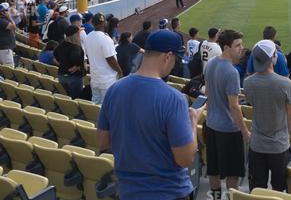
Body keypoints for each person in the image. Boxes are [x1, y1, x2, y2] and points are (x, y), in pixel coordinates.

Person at [97, 29, 200, 200]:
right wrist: (193, 122)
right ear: (167, 56)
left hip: (128, 191)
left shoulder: (114, 89)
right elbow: (185, 158)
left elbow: (102, 142)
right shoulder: (174, 99)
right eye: (175, 59)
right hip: (168, 192)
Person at [243, 40, 291, 192]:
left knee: (257, 189)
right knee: (278, 189)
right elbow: (290, 114)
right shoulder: (285, 83)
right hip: (278, 145)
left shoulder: (248, 83)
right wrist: (287, 136)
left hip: (257, 145)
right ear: (273, 57)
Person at [204, 29, 250, 199]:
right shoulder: (232, 72)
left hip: (211, 125)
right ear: (226, 47)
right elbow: (234, 106)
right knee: (232, 173)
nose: (241, 48)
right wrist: (245, 132)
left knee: (213, 170)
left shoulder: (211, 63)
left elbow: (208, 92)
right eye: (237, 45)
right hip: (228, 130)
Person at [84, 13, 123, 104]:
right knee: (108, 104)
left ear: (93, 23)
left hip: (95, 78)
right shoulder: (106, 39)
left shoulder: (88, 37)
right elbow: (110, 59)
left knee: (95, 103)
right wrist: (120, 72)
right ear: (104, 23)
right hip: (107, 80)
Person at [54, 25, 86, 98]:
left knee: (69, 96)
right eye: (78, 33)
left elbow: (56, 56)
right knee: (76, 98)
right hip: (74, 77)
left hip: (62, 75)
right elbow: (78, 59)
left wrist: (64, 64)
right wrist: (77, 66)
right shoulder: (76, 48)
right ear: (75, 35)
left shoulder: (60, 45)